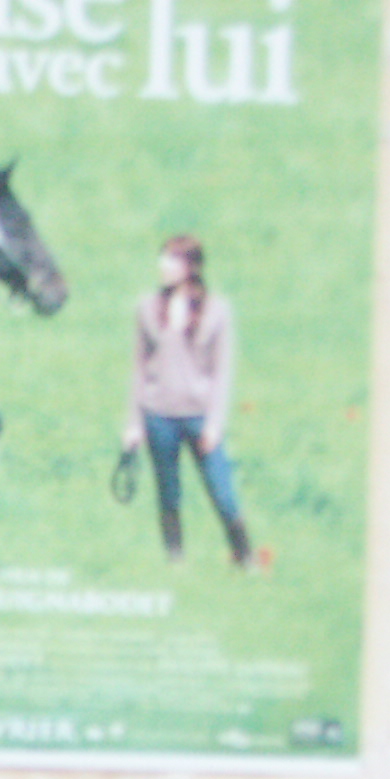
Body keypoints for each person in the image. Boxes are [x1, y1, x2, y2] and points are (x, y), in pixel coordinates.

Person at [122, 234, 257, 569]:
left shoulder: (218, 310)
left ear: (190, 266)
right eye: (162, 258)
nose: (163, 265)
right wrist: (133, 424)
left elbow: (222, 372)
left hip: (199, 417)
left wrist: (214, 423)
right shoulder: (146, 307)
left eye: (171, 259)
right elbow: (138, 369)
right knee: (168, 494)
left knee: (222, 492)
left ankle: (244, 557)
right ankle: (175, 560)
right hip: (158, 416)